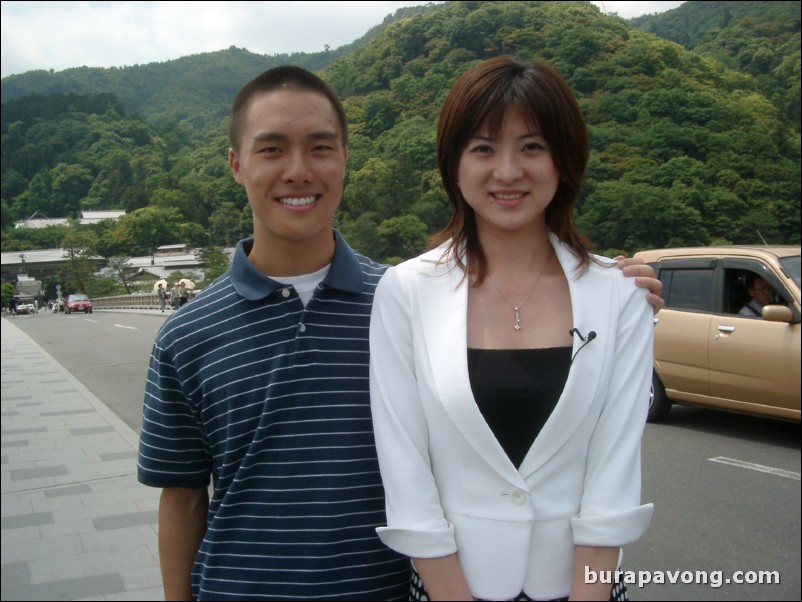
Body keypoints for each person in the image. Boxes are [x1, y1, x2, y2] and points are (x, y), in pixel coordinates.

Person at [137, 65, 663, 601]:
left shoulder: (390, 293)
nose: (298, 170)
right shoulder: (191, 333)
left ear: (344, 158)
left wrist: (619, 290)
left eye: (319, 148)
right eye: (272, 149)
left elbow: (611, 475)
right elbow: (181, 498)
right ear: (236, 164)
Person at [369, 57, 655, 601]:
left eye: (532, 147)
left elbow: (614, 476)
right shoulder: (406, 292)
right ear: (453, 164)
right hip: (450, 585)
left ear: (564, 160)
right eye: (483, 149)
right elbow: (406, 470)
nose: (507, 171)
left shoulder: (620, 296)